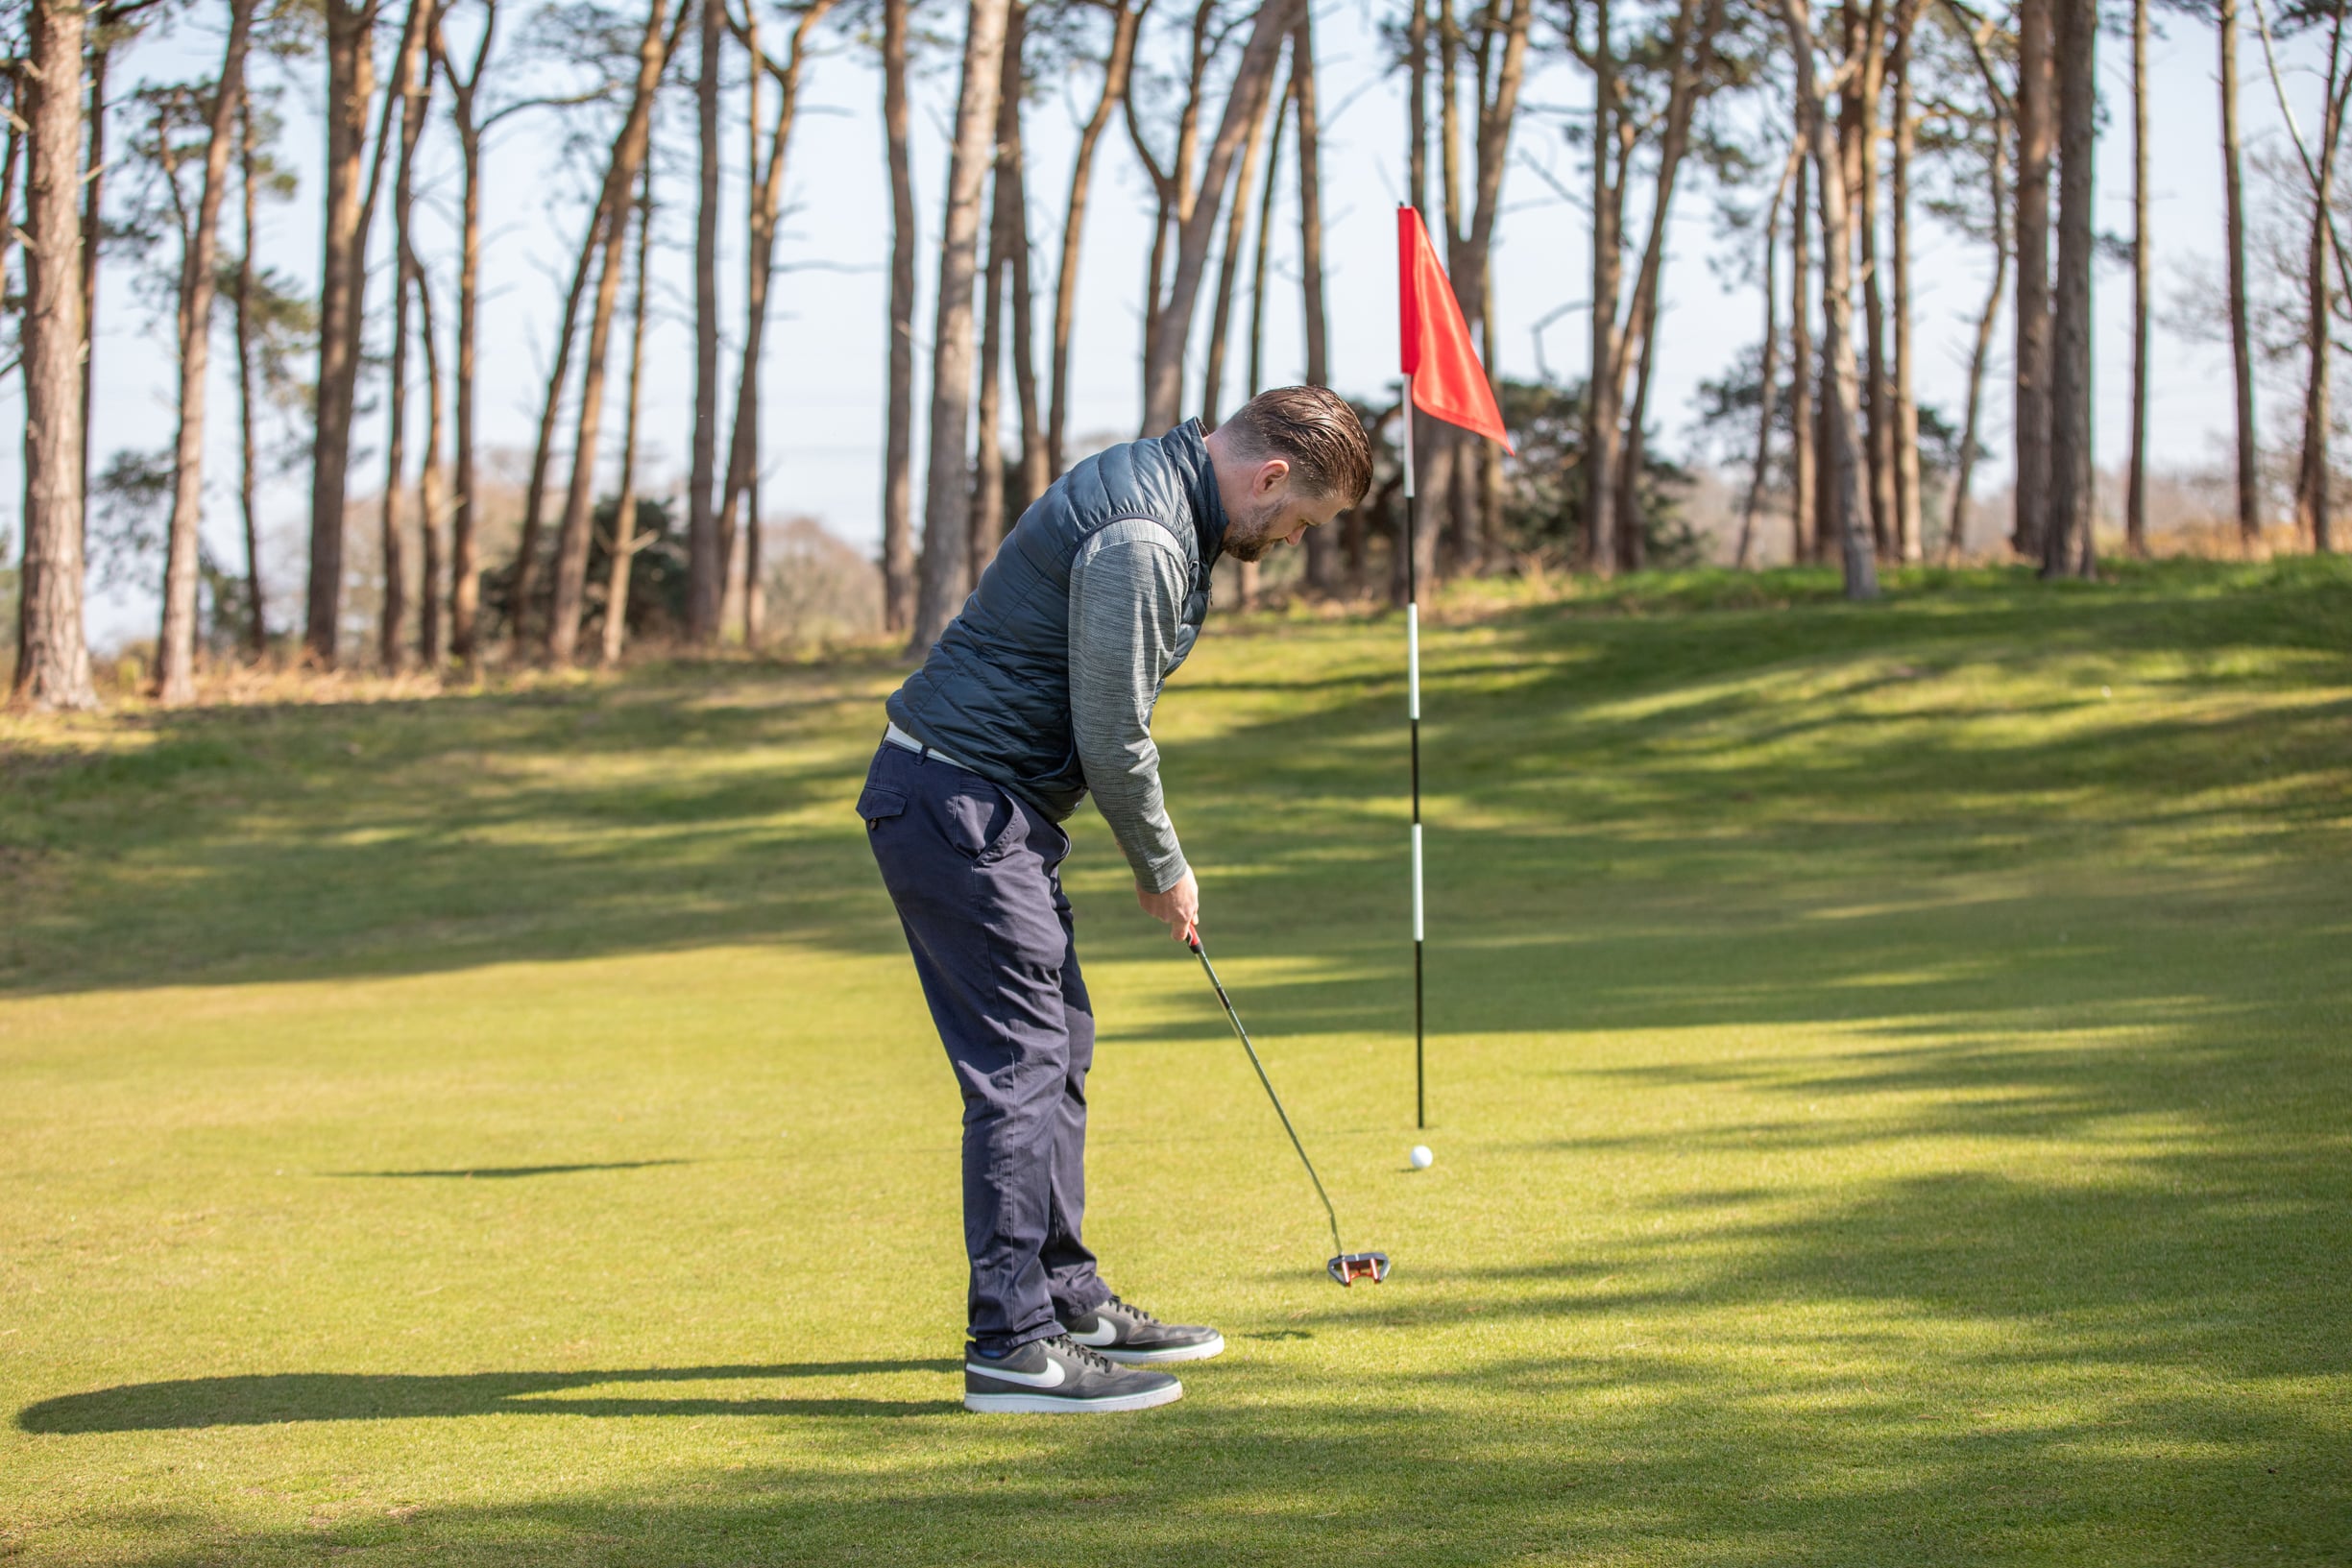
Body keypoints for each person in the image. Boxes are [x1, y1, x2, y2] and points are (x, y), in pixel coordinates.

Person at [858, 387, 1375, 1413]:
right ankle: (1012, 1345)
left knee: (1059, 1045)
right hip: (958, 802)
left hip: (982, 804)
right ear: (1270, 476)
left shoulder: (1161, 490)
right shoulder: (1144, 533)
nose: (1292, 539)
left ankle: (1066, 1298)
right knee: (1021, 1065)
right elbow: (1111, 732)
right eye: (1301, 520)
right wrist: (1162, 866)